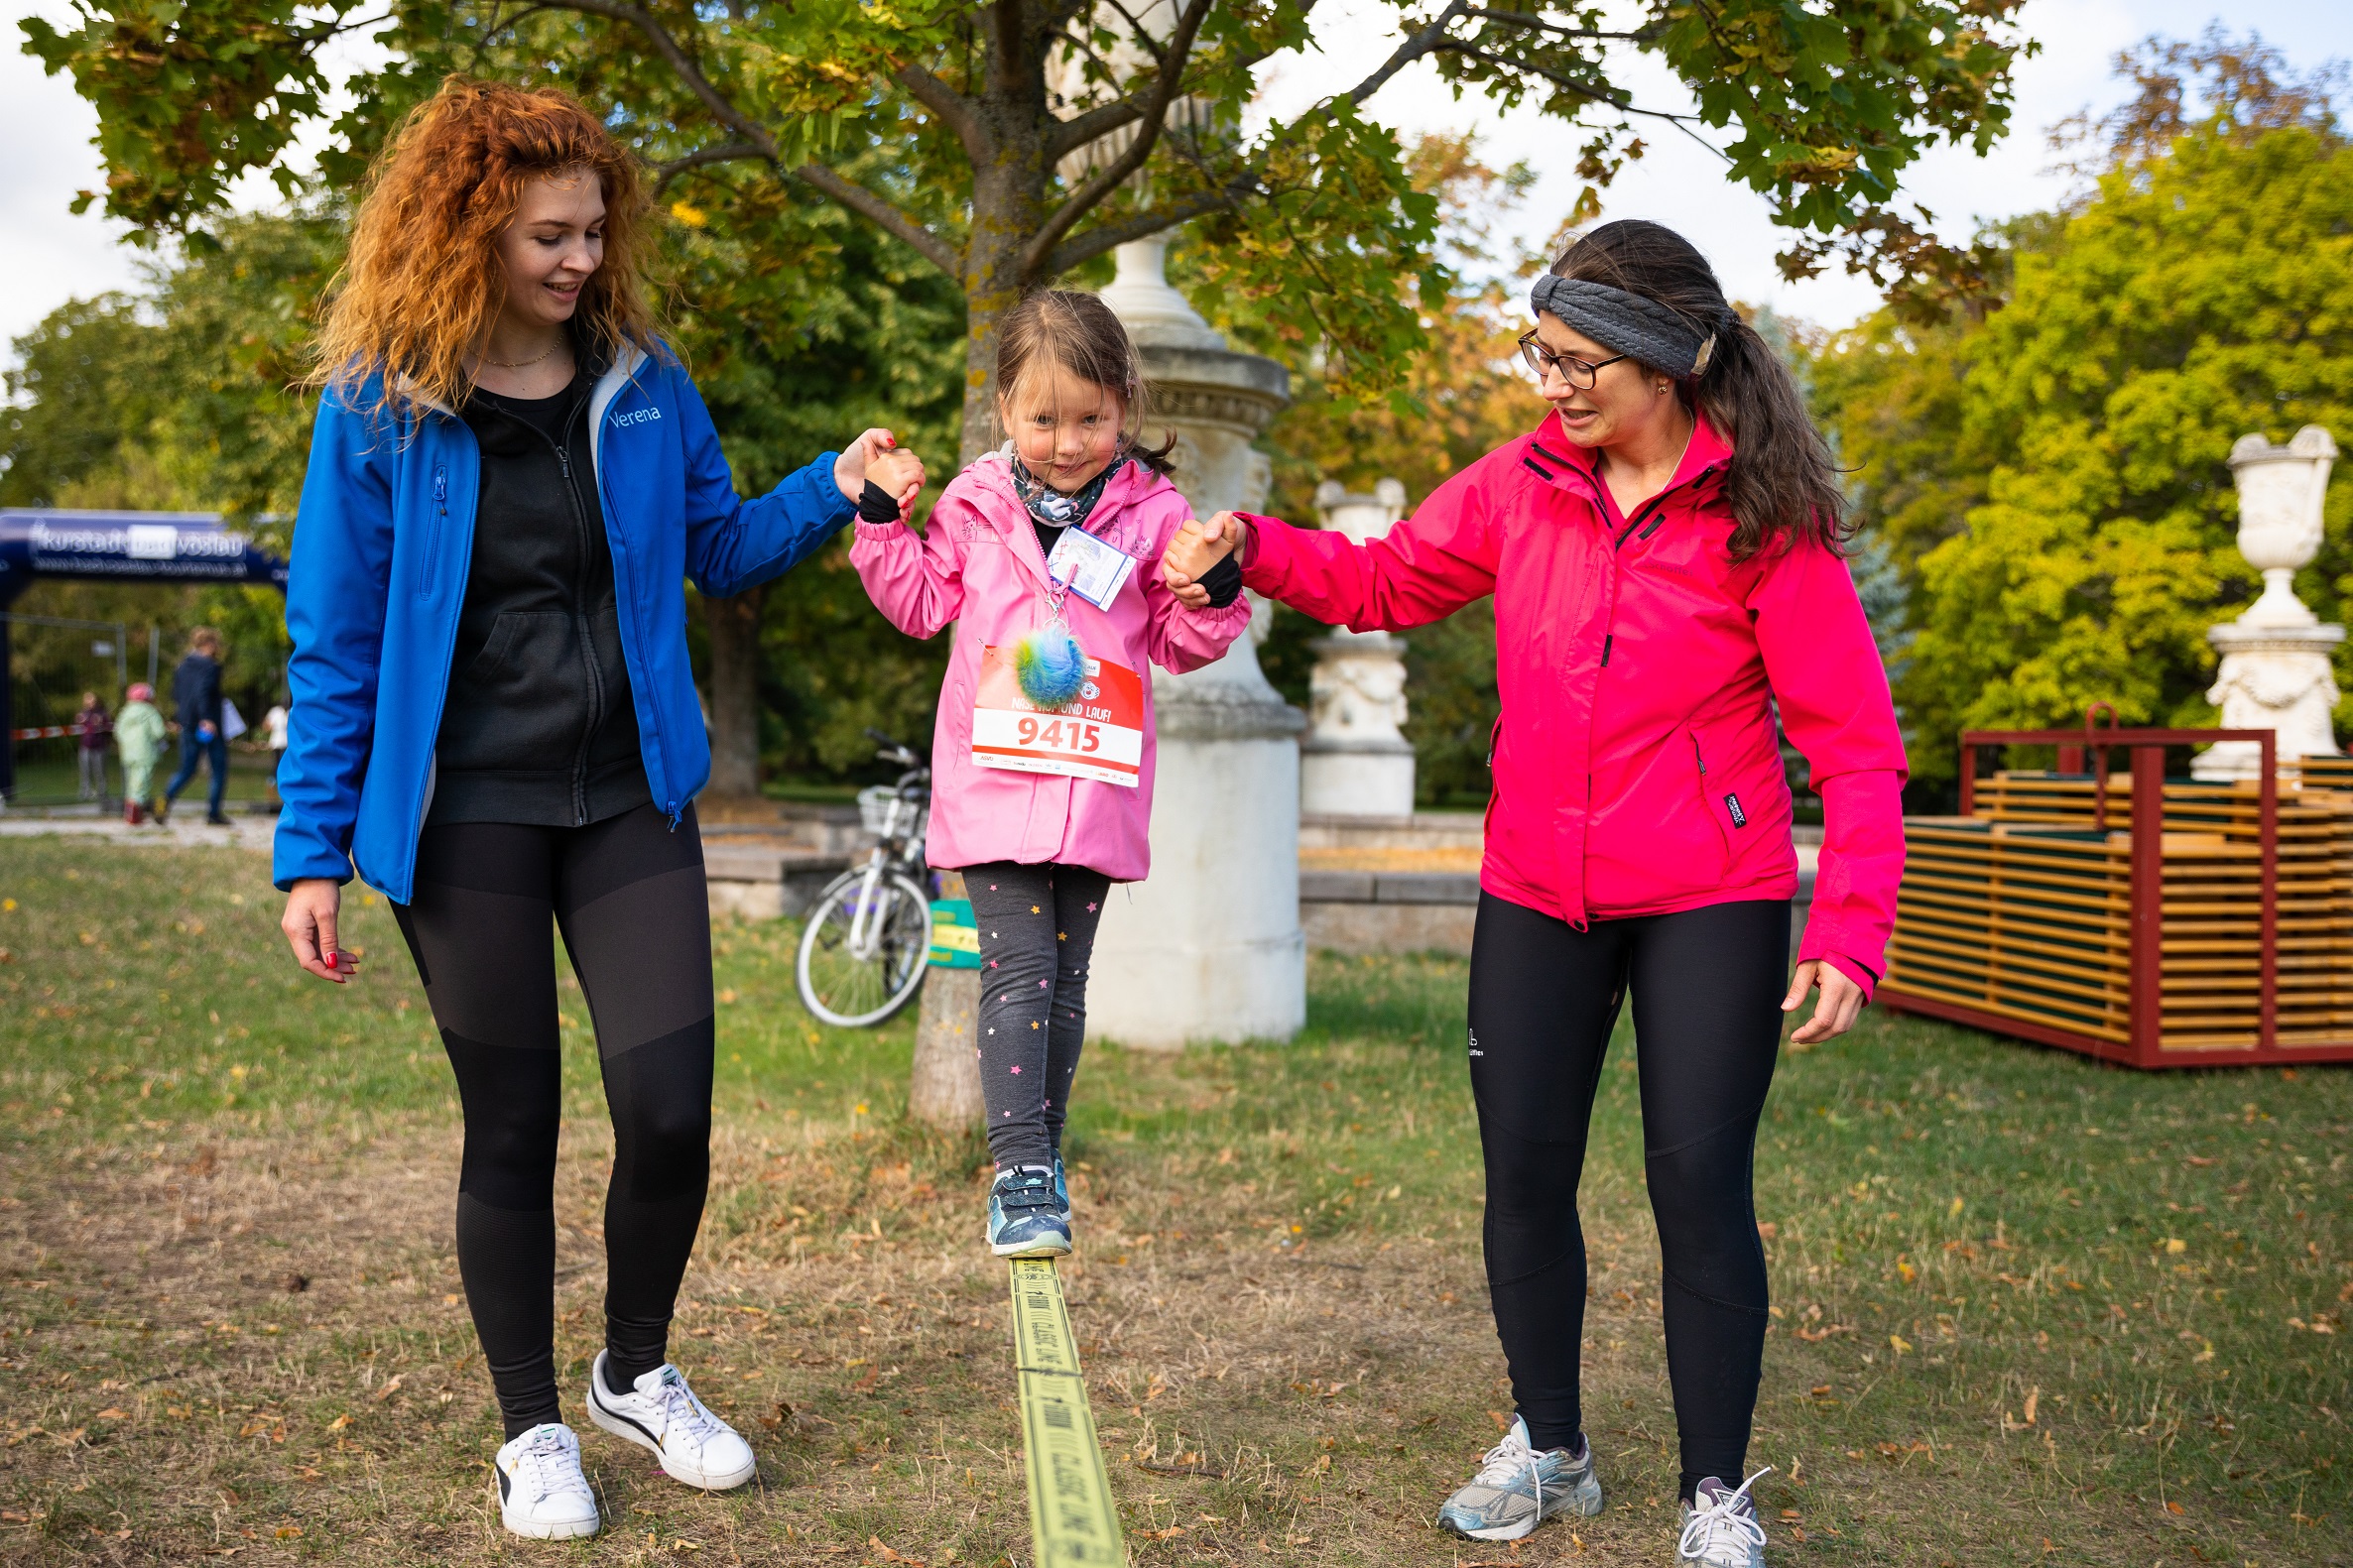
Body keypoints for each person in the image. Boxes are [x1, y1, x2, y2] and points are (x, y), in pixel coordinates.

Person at [1165, 220, 1905, 1567]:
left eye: (1575, 360)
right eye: (1540, 354)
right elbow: (1385, 580)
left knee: (1698, 1185)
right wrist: (1252, 547)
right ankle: (1551, 1448)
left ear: (1666, 360)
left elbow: (1852, 744)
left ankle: (1714, 1492)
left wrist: (1850, 927)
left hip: (1709, 896)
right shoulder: (1520, 483)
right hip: (1533, 887)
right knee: (1522, 1172)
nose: (1550, 383)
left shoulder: (1758, 519)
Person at [270, 77, 924, 1542]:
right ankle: (531, 1430)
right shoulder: (381, 406)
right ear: (467, 233)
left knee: (670, 1113)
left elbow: (720, 549)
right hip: (466, 816)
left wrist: (835, 485)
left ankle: (634, 1370)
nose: (580, 258)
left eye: (592, 230)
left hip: (631, 794)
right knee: (513, 1125)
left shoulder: (642, 380)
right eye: (548, 235)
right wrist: (310, 850)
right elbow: (335, 637)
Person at [851, 289, 1250, 1260]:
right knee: (1020, 968)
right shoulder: (975, 504)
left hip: (1093, 785)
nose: (1067, 443)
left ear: (1124, 406)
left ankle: (1044, 1161)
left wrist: (1212, 587)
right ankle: (1019, 1170)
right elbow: (918, 604)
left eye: (1089, 419)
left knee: (1066, 984)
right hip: (992, 778)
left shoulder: (1155, 514)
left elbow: (1178, 639)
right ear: (1003, 410)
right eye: (1042, 420)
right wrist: (880, 519)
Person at [163, 628, 231, 825]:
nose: (218, 648)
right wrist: (207, 718)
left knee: (187, 768)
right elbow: (203, 691)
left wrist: (182, 716)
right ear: (209, 644)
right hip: (209, 724)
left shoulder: (182, 666)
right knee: (218, 768)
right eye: (216, 644)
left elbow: (176, 694)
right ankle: (213, 813)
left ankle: (163, 802)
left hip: (187, 723)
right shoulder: (210, 666)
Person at [115, 684, 168, 825]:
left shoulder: (125, 711)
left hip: (128, 752)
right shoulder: (149, 711)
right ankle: (135, 815)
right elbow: (159, 732)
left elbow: (118, 731)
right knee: (142, 783)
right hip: (145, 751)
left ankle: (129, 813)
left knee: (131, 783)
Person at [73, 691, 112, 804]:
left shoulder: (102, 713)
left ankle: (102, 792)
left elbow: (109, 728)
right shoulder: (83, 714)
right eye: (88, 700)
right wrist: (78, 721)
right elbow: (76, 727)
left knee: (100, 771)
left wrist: (102, 722)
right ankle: (85, 792)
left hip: (99, 746)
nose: (91, 703)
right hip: (85, 746)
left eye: (93, 700)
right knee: (85, 770)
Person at [261, 699, 290, 805]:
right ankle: (271, 796)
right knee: (276, 769)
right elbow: (266, 726)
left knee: (287, 769)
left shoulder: (290, 712)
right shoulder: (275, 711)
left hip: (287, 745)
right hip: (277, 745)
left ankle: (284, 796)